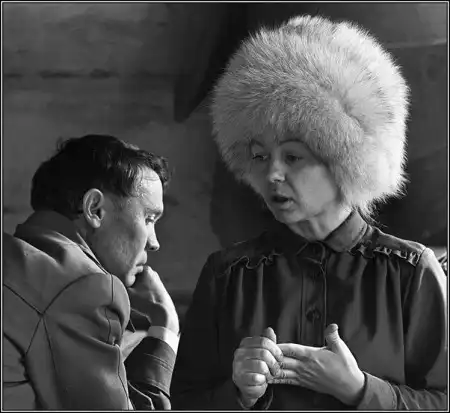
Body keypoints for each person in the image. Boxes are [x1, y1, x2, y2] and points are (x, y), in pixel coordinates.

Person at [171, 15, 447, 410]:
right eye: (260, 156)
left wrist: (359, 390)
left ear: (347, 160)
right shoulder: (227, 275)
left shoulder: (411, 273)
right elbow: (184, 402)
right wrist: (239, 395)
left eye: (293, 157)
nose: (272, 173)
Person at [3, 135, 180, 410]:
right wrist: (165, 330)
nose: (154, 242)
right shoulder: (87, 287)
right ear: (95, 209)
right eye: (148, 218)